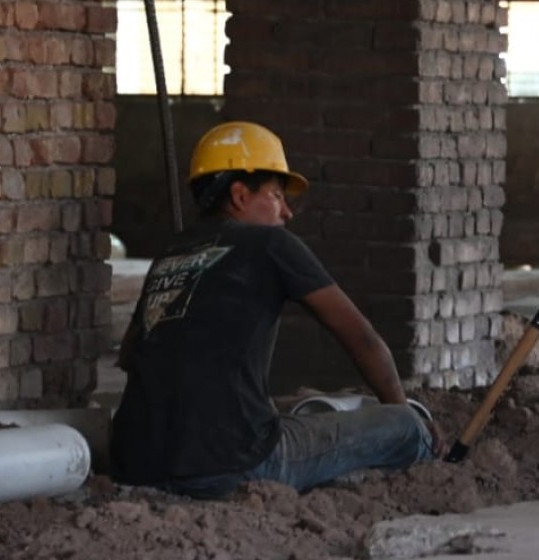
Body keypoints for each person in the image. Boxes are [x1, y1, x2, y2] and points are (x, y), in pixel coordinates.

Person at [110, 121, 438, 498]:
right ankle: (428, 453)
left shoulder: (170, 255)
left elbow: (130, 355)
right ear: (239, 195)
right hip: (233, 465)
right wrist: (403, 412)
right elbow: (361, 338)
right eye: (277, 195)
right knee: (403, 426)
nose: (287, 212)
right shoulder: (271, 244)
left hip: (133, 464)